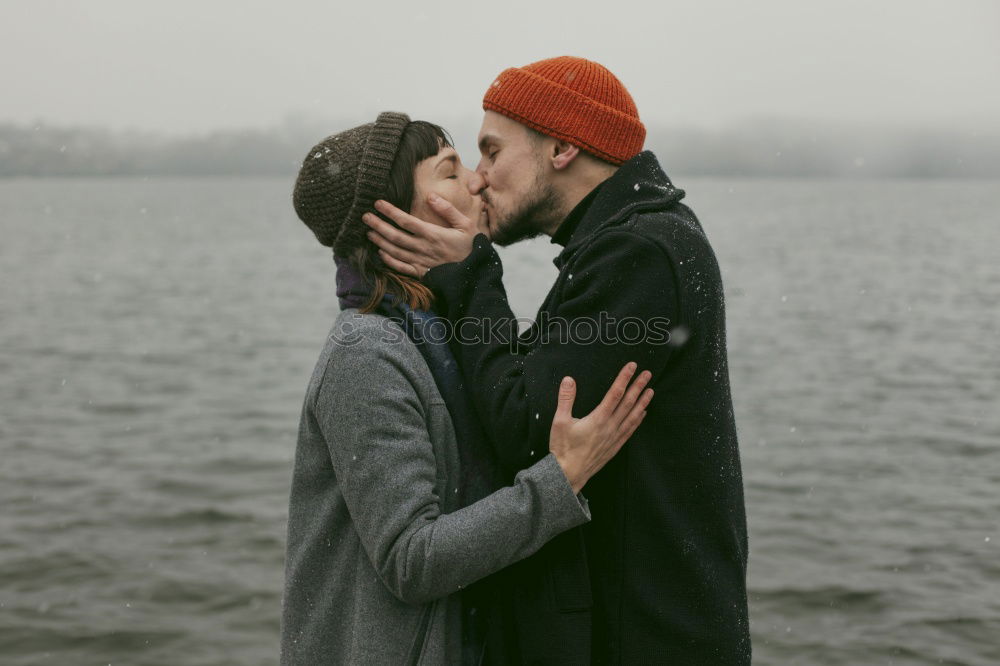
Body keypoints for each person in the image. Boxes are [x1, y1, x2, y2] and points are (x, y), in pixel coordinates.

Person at [364, 57, 751, 664]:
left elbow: (528, 428)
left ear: (563, 147)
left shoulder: (639, 251)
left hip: (649, 639)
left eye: (492, 151)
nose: (481, 177)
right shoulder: (636, 237)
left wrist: (471, 275)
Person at [281, 111, 654, 665]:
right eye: (451, 172)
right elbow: (411, 559)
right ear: (394, 218)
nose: (478, 180)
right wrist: (561, 479)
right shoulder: (365, 353)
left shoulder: (444, 330)